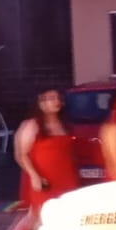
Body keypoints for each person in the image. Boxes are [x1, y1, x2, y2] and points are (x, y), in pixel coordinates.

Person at [14, 86, 80, 218]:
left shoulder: (64, 124)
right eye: (51, 98)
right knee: (44, 217)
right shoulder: (32, 125)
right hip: (45, 181)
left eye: (57, 98)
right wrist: (34, 176)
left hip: (67, 178)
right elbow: (21, 155)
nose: (56, 101)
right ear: (40, 103)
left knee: (68, 215)